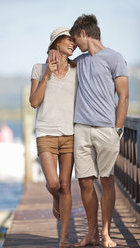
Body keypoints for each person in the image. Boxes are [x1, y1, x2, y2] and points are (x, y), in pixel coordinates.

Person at [49, 14, 129, 247]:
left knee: (107, 180)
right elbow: (59, 62)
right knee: (85, 182)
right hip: (81, 129)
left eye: (75, 39)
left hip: (107, 129)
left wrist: (118, 128)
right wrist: (53, 52)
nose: (74, 45)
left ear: (84, 33)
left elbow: (123, 96)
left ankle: (106, 234)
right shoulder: (79, 62)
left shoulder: (115, 58)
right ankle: (91, 233)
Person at [29, 27, 78, 248]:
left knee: (66, 185)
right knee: (54, 183)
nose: (73, 43)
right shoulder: (39, 68)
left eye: (74, 40)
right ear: (56, 42)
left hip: (70, 134)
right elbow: (34, 102)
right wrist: (47, 75)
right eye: (69, 39)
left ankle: (64, 237)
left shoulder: (78, 69)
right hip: (46, 133)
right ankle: (56, 198)